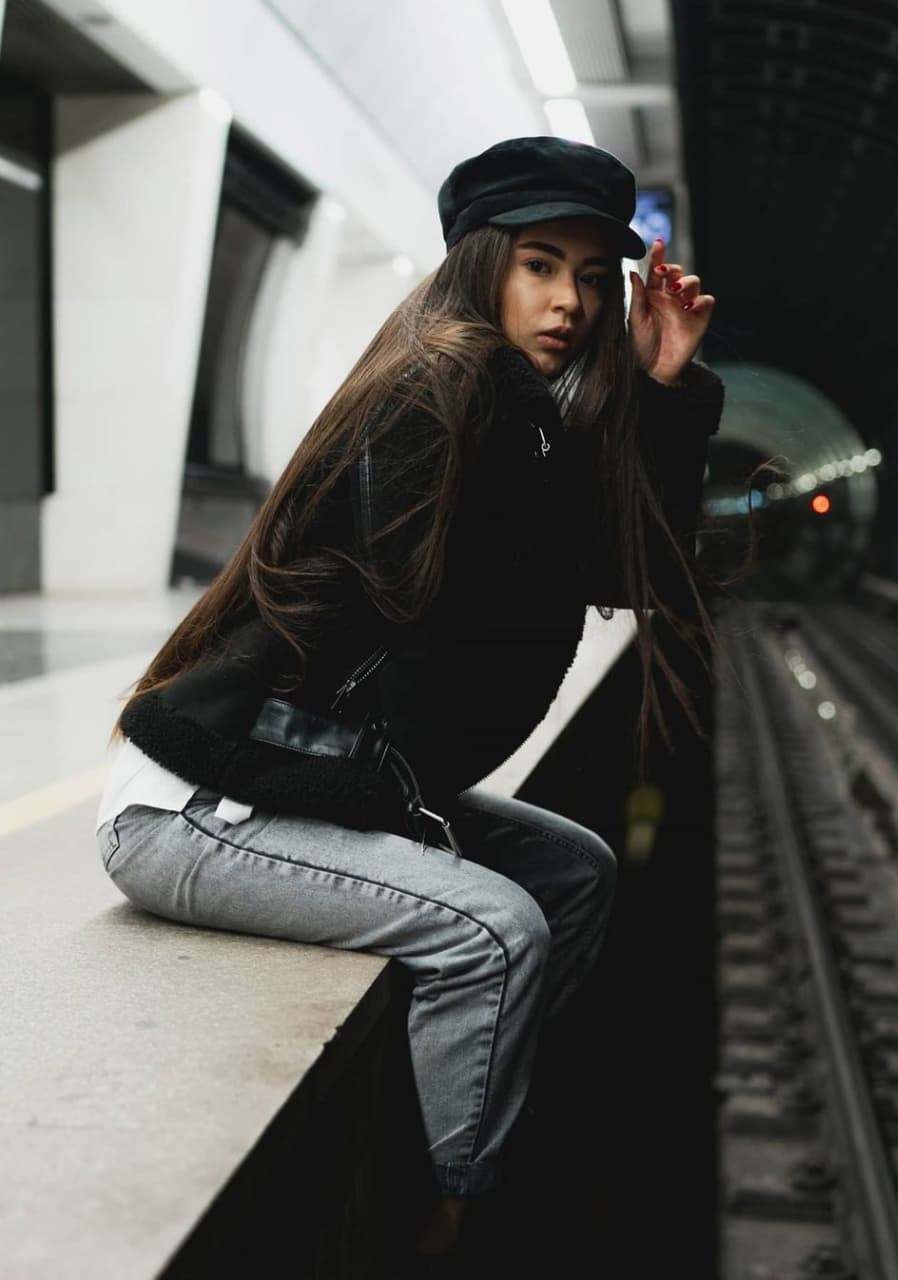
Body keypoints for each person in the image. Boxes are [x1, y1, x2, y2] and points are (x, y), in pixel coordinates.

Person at [95, 135, 724, 1262]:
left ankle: (478, 1102)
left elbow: (612, 564)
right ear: (482, 263)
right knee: (496, 931)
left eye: (591, 273)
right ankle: (445, 1217)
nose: (571, 300)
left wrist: (659, 388)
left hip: (321, 779)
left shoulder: (516, 411)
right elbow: (579, 569)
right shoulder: (441, 395)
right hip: (205, 802)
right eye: (540, 263)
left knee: (575, 868)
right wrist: (636, 411)